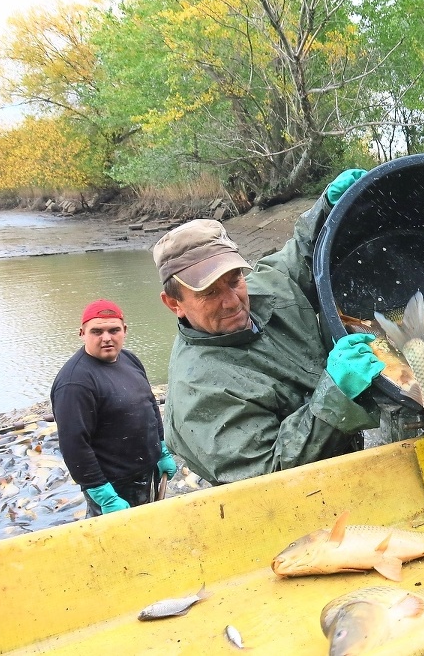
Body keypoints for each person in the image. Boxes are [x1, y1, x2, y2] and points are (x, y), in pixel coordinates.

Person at [152, 170, 386, 485]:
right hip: (292, 502)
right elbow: (270, 475)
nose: (232, 301)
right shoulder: (200, 394)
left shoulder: (262, 288)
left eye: (234, 279)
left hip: (342, 455)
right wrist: (336, 392)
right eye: (209, 293)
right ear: (173, 304)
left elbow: (297, 259)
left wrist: (327, 209)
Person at [51, 300, 176, 517]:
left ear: (124, 331)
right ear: (82, 333)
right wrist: (103, 493)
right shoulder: (75, 382)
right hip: (113, 486)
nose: (106, 337)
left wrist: (161, 449)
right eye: (97, 331)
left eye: (114, 330)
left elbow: (149, 406)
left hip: (146, 472)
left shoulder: (129, 359)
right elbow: (74, 445)